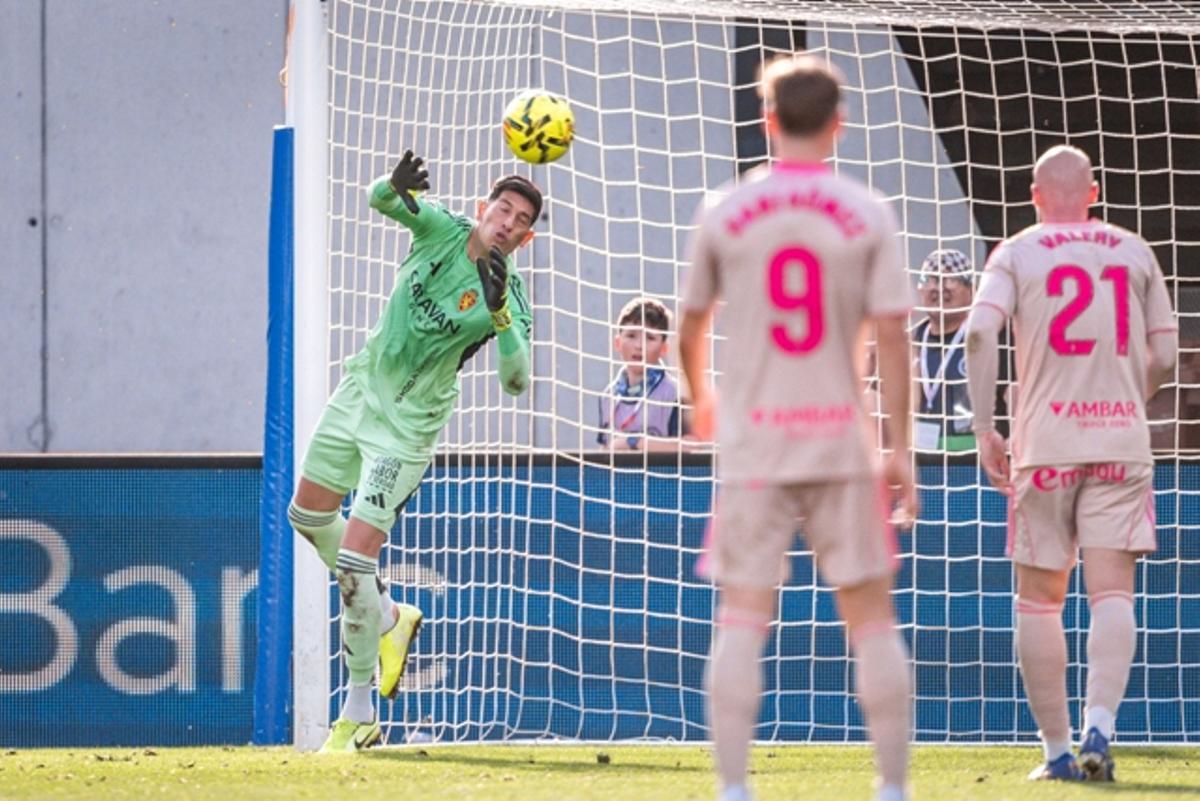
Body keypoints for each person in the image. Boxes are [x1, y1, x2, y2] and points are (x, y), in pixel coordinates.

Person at [678, 54, 917, 801]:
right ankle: (891, 787)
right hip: (842, 438)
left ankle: (735, 787)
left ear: (767, 120)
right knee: (871, 618)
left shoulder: (723, 209)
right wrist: (898, 442)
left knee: (744, 614)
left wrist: (699, 397)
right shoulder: (869, 210)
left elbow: (689, 321)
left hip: (755, 438)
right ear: (839, 124)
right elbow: (893, 334)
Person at [286, 150, 539, 752]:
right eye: (501, 208)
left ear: (525, 240)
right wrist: (392, 184)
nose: (506, 221)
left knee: (352, 564)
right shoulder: (442, 228)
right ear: (482, 210)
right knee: (307, 515)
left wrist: (501, 314)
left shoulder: (512, 294)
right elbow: (380, 199)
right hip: (359, 390)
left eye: (519, 219)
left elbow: (517, 380)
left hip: (407, 429)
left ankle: (357, 713)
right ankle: (392, 619)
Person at [964, 144, 1177, 782]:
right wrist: (1126, 397)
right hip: (1118, 443)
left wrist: (983, 428)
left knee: (1039, 600)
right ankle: (1100, 728)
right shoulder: (1134, 249)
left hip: (1045, 447)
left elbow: (978, 331)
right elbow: (1165, 351)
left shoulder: (1016, 251)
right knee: (1111, 589)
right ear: (1095, 191)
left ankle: (1056, 752)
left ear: (1033, 194)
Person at [912, 248, 1008, 454]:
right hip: (918, 464)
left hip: (977, 464)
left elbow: (1014, 395)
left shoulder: (990, 338)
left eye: (951, 279)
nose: (939, 288)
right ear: (919, 289)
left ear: (972, 290)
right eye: (930, 279)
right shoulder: (909, 342)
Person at [598, 297, 686, 450]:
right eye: (631, 335)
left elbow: (690, 446)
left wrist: (635, 442)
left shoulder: (676, 394)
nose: (639, 346)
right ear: (617, 343)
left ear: (664, 348)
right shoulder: (607, 396)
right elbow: (604, 449)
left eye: (650, 338)